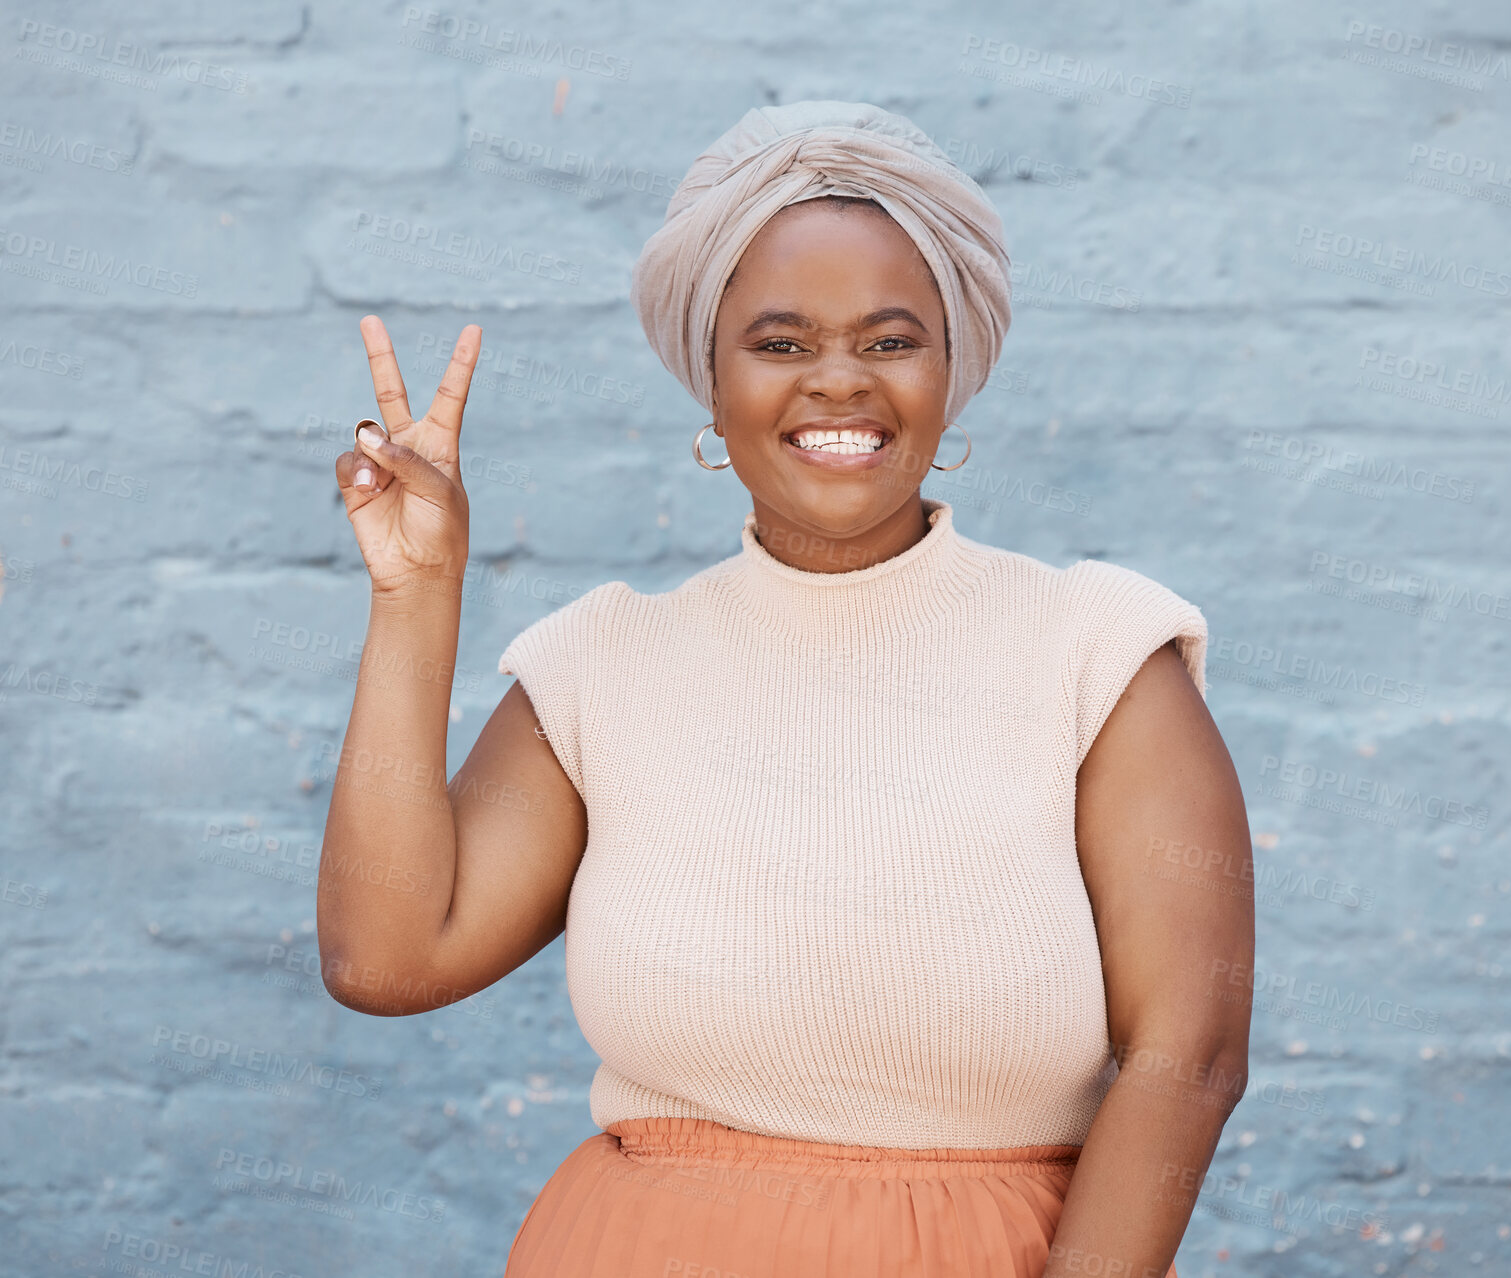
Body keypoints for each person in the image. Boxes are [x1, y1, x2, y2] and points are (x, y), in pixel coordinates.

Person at [319, 100, 1254, 1278]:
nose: (838, 384)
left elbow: (1191, 1055)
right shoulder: (606, 665)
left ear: (953, 369)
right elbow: (388, 959)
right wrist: (417, 597)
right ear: (709, 384)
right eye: (779, 344)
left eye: (891, 340)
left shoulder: (1099, 653)